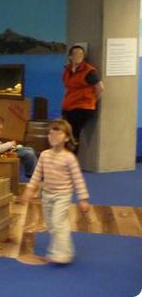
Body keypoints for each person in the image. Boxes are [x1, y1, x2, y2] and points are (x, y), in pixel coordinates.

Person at [23, 119, 90, 264]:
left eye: (58, 133)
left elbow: (78, 179)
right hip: (47, 195)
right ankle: (64, 249)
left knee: (58, 222)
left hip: (62, 196)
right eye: (51, 133)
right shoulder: (45, 155)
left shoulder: (69, 158)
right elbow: (37, 174)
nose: (53, 136)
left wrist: (83, 199)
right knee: (53, 225)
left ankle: (61, 254)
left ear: (66, 138)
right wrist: (30, 189)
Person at [62, 45, 104, 154]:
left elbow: (100, 88)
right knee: (65, 132)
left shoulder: (89, 71)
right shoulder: (67, 69)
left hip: (82, 107)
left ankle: (71, 161)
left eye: (81, 54)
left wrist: (92, 101)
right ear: (70, 56)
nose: (79, 56)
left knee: (74, 133)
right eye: (76, 54)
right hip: (68, 105)